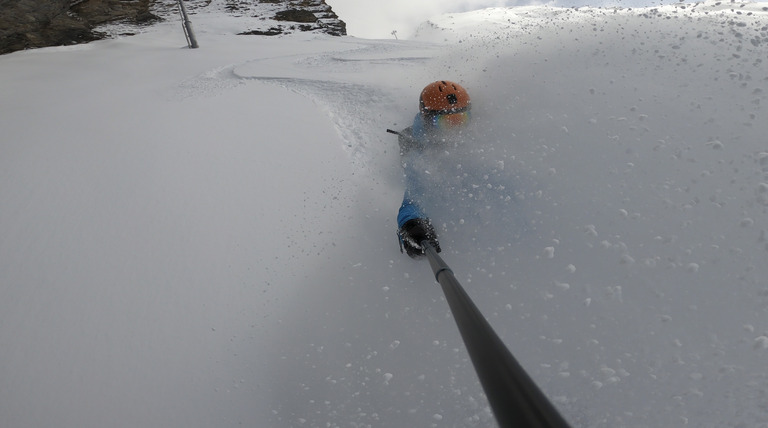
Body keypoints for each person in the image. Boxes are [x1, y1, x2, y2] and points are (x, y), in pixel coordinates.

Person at [394, 80, 472, 258]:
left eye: (461, 119)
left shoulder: (479, 135)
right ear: (428, 120)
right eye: (447, 122)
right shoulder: (421, 155)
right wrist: (411, 224)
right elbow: (413, 196)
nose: (456, 129)